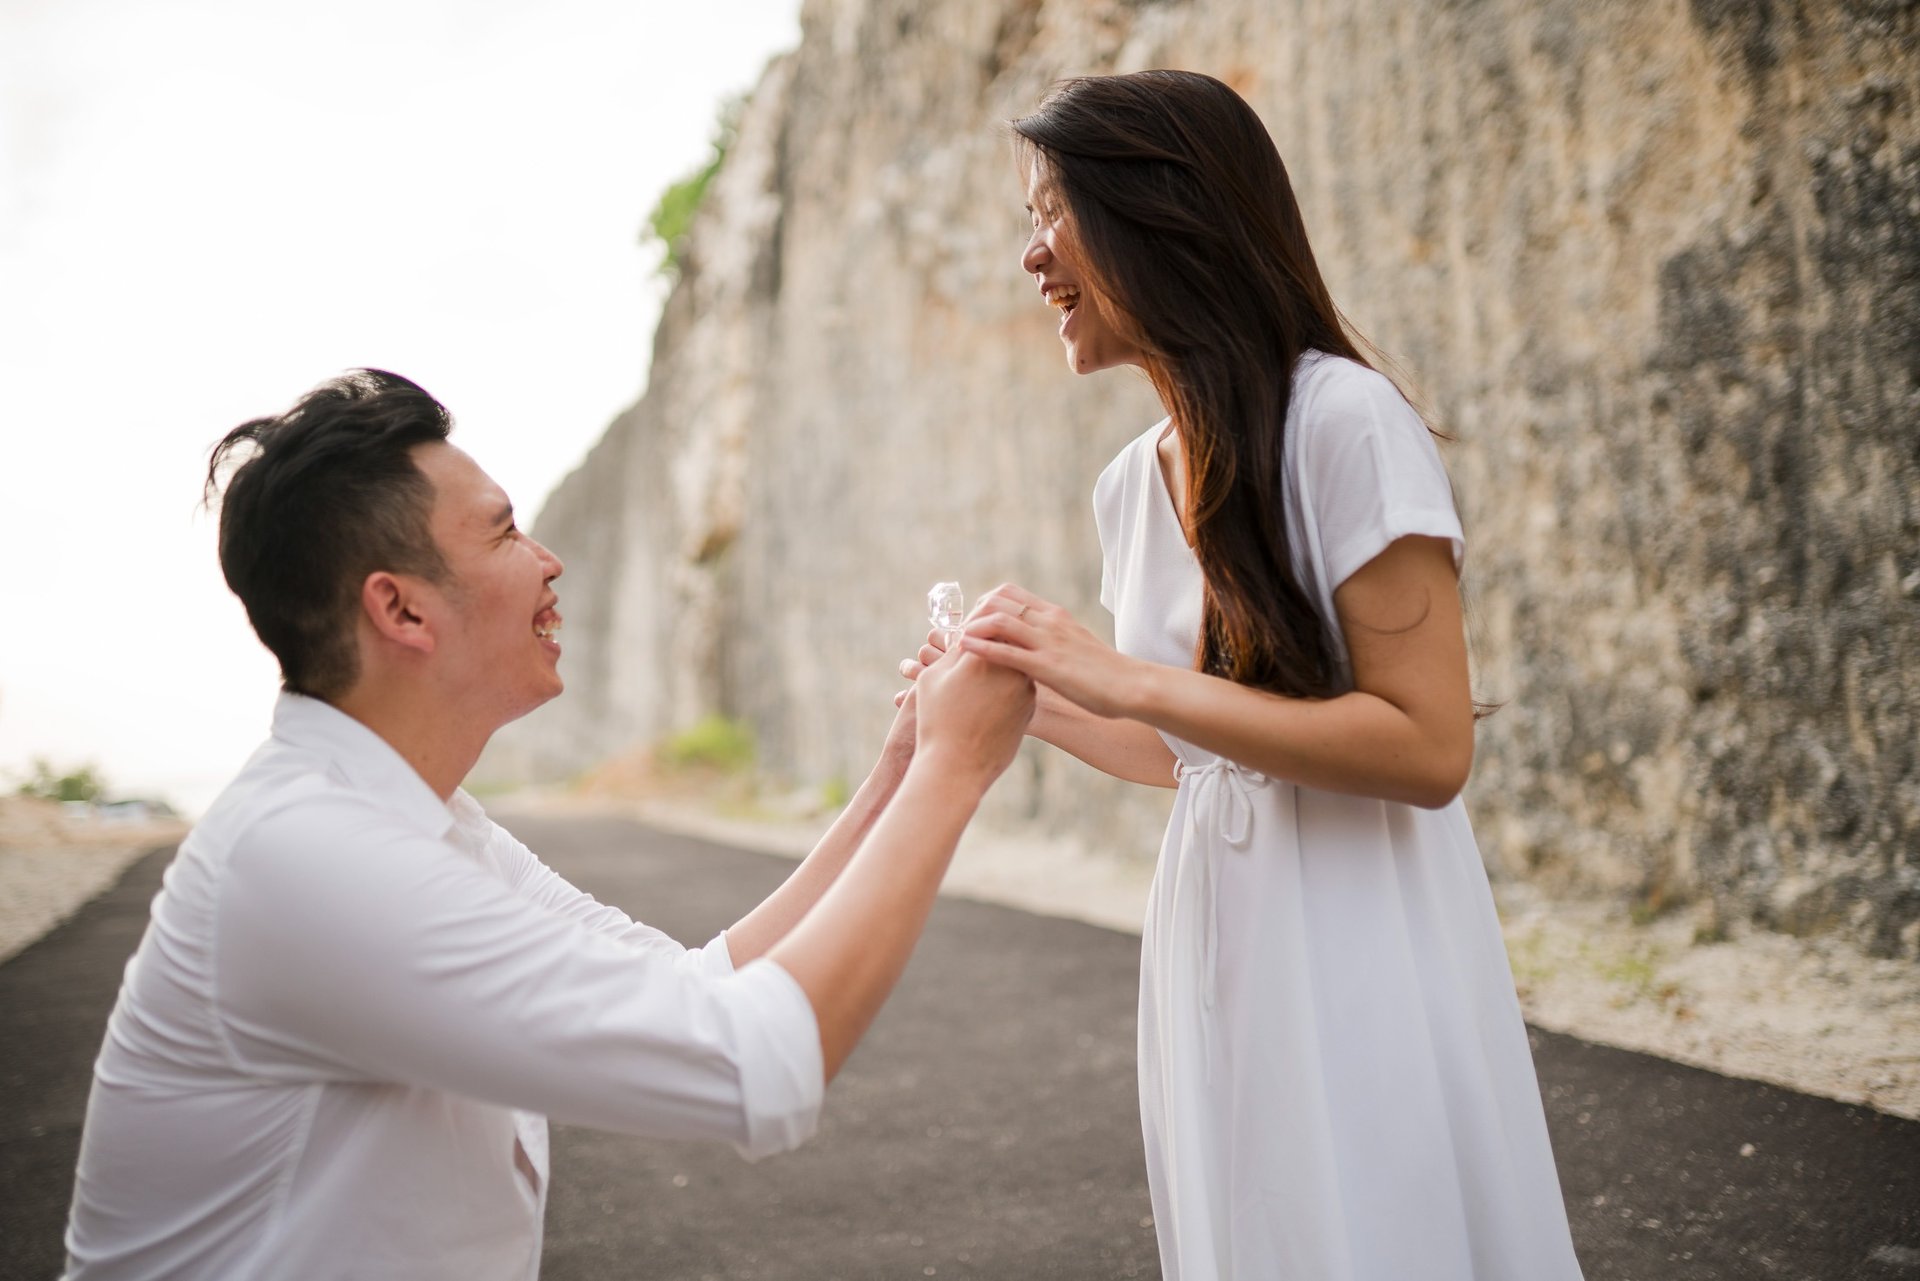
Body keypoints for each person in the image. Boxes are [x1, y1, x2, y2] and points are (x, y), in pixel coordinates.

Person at [63, 369, 1034, 1280]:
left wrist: (905, 768)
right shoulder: (307, 857)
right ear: (399, 609)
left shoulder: (422, 822)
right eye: (505, 534)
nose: (550, 563)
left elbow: (697, 982)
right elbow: (753, 1062)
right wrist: (959, 766)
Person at [902, 71, 1584, 1279]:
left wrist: (1119, 674)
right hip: (1216, 942)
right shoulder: (1130, 483)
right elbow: (1196, 757)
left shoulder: (1343, 421)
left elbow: (1428, 750)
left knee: (1382, 1227)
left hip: (1359, 930)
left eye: (1052, 213)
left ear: (1161, 219)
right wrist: (1029, 694)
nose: (1032, 258)